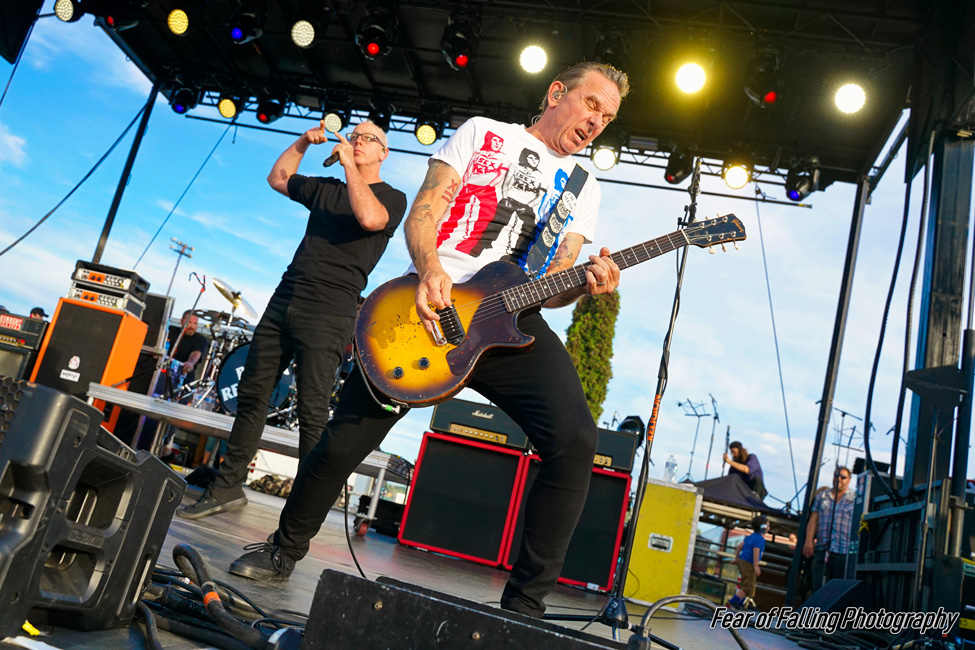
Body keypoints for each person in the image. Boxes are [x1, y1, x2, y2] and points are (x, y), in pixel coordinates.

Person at [226, 61, 629, 619]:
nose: (597, 121)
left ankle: (523, 609)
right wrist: (431, 268)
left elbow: (555, 283)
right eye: (591, 105)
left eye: (607, 116)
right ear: (557, 92)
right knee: (343, 441)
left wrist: (586, 285)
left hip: (513, 320)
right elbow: (425, 211)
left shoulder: (584, 188)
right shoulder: (483, 133)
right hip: (434, 301)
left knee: (577, 440)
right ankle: (282, 549)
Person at [177, 119, 407, 519]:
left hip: (331, 310)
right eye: (354, 137)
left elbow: (370, 219)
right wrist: (302, 141)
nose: (357, 142)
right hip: (286, 298)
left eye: (367, 139)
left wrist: (350, 166)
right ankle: (228, 486)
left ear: (383, 153)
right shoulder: (325, 188)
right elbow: (278, 178)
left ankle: (303, 509)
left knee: (313, 411)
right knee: (252, 395)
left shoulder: (392, 197)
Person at [802, 465, 856, 590]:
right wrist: (808, 540)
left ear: (848, 480)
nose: (839, 479)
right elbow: (813, 520)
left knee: (836, 590)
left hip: (843, 551)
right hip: (822, 548)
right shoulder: (822, 496)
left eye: (843, 477)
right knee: (818, 587)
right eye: (836, 476)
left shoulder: (854, 498)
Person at [728, 515, 767, 609]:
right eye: (767, 526)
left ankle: (740, 603)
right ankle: (732, 602)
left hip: (742, 561)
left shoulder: (750, 537)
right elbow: (756, 551)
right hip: (749, 563)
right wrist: (756, 566)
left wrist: (736, 559)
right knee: (748, 587)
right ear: (763, 528)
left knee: (746, 584)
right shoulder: (760, 539)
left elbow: (739, 547)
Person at [166, 310, 208, 384]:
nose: (192, 326)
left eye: (195, 323)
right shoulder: (171, 330)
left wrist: (190, 363)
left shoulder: (200, 339)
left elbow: (196, 353)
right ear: (181, 321)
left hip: (183, 379)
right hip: (164, 372)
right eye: (189, 322)